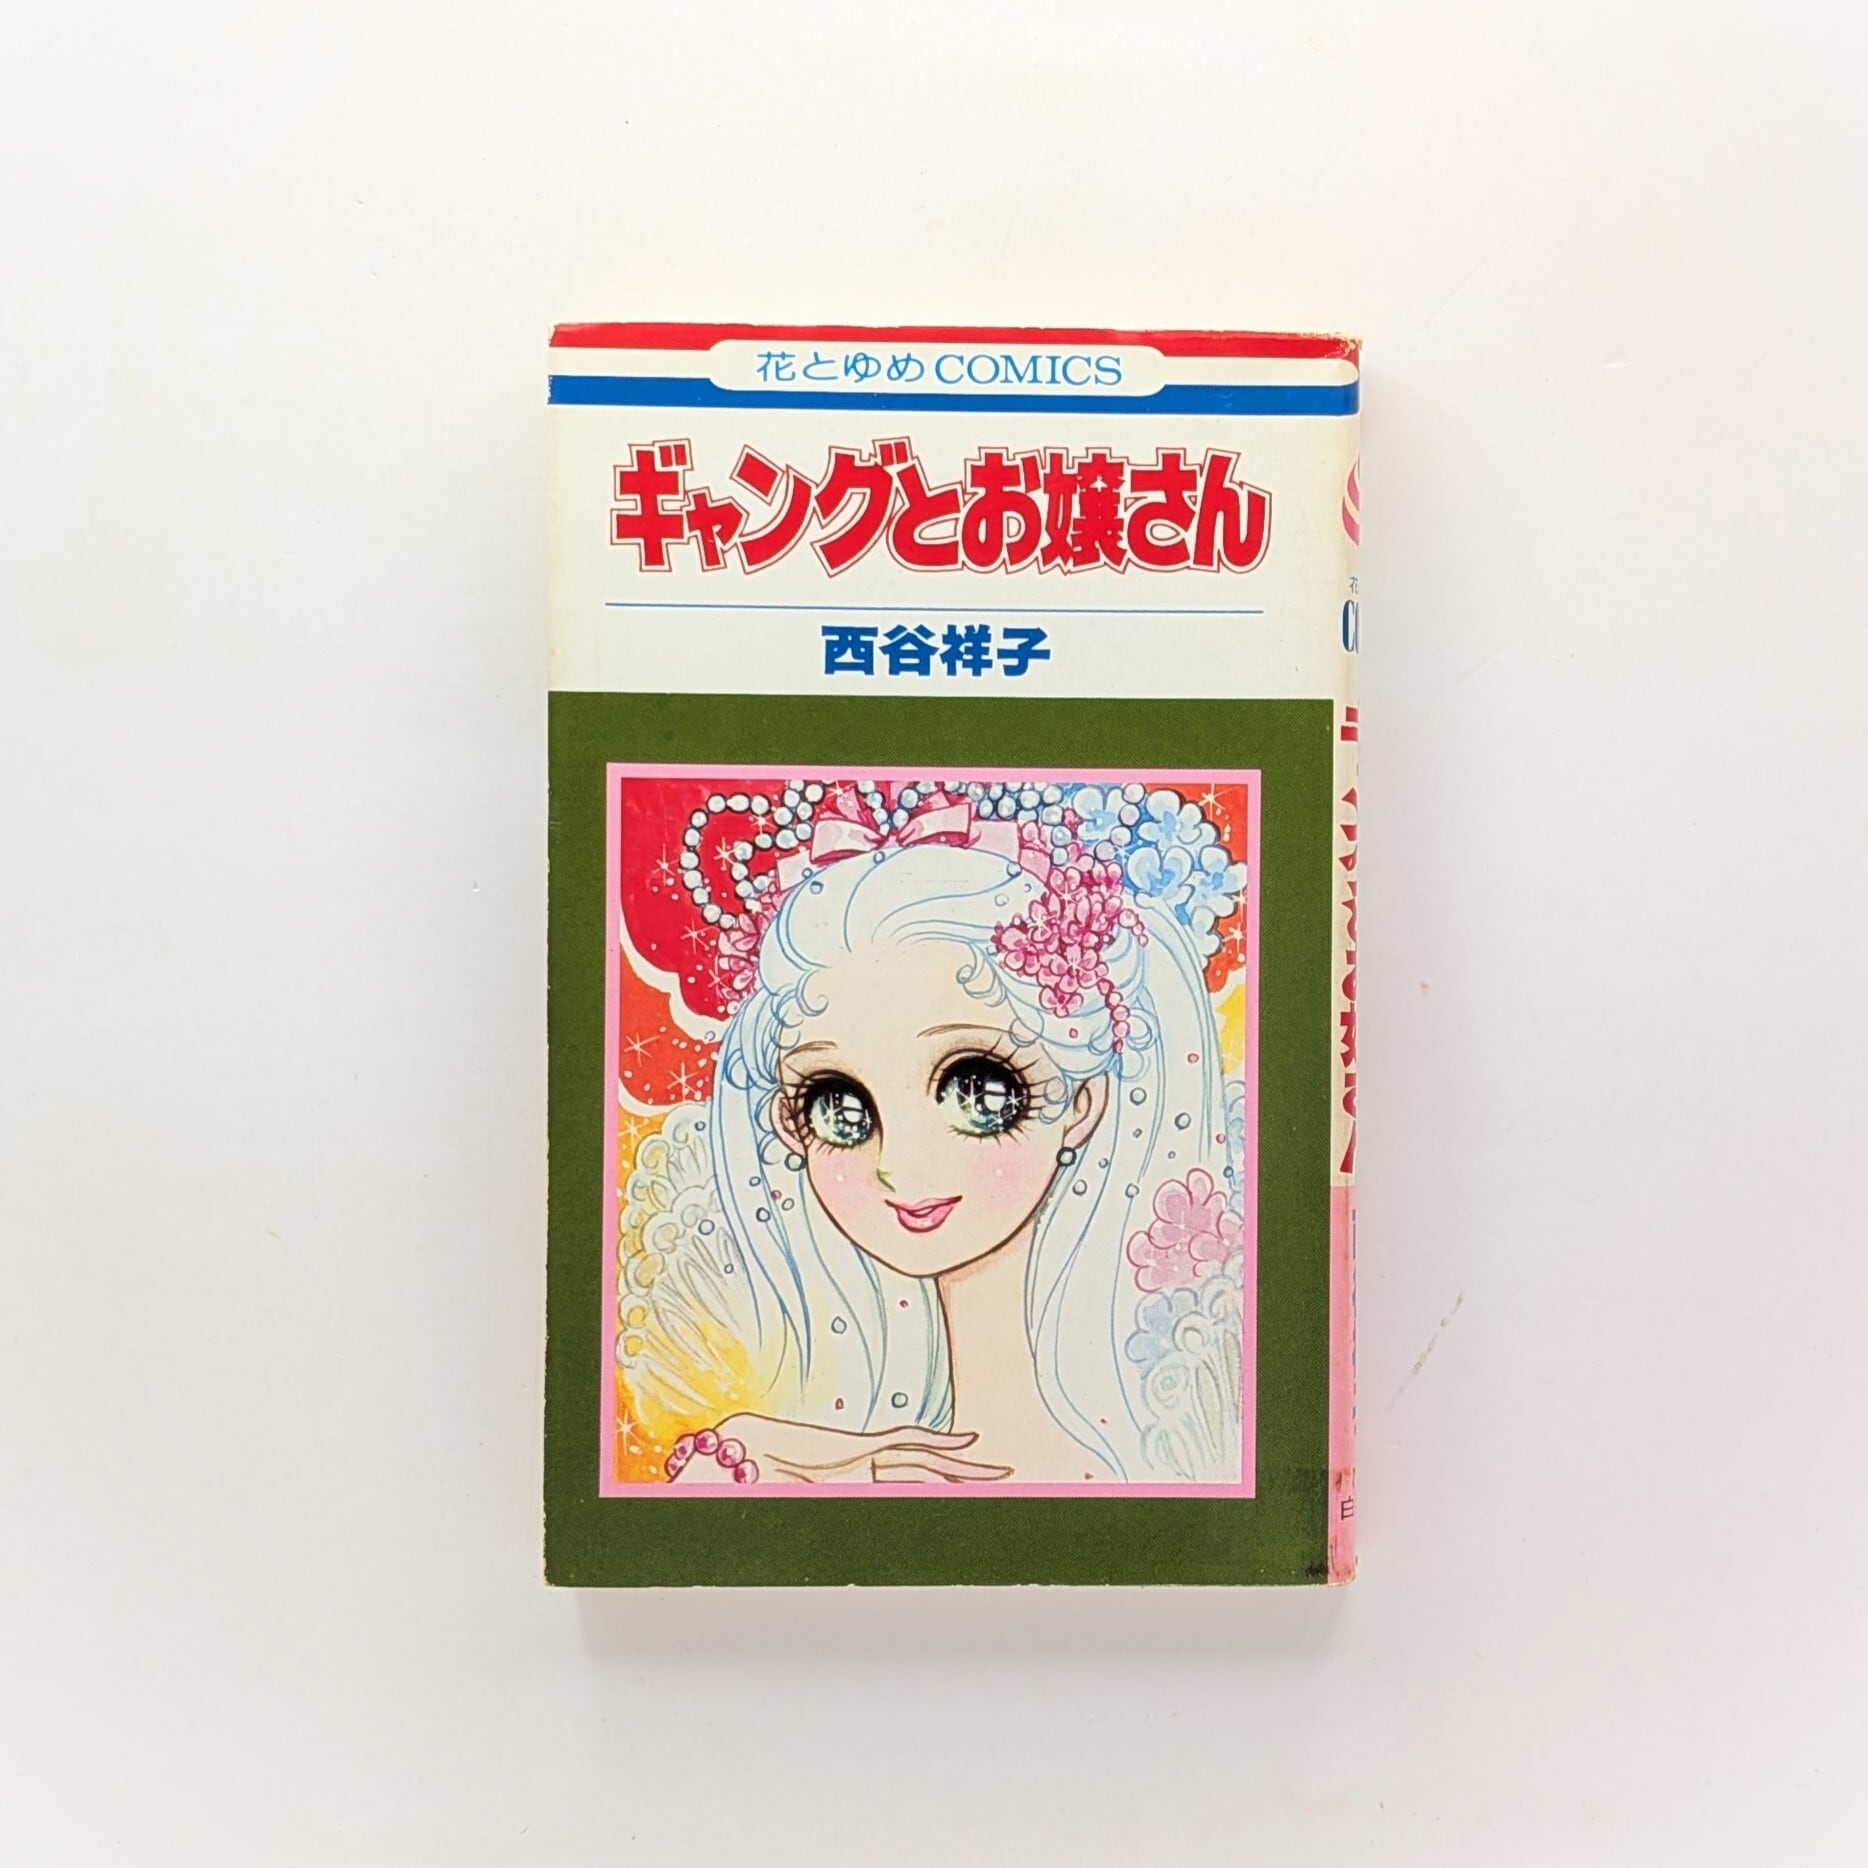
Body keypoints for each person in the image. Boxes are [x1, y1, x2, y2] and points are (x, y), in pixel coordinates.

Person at [617, 777, 1249, 1486]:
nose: (901, 1165)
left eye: (978, 1092)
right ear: (788, 1128)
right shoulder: (760, 1457)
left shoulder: (1138, 1479)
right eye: (839, 1108)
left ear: (1081, 1103)